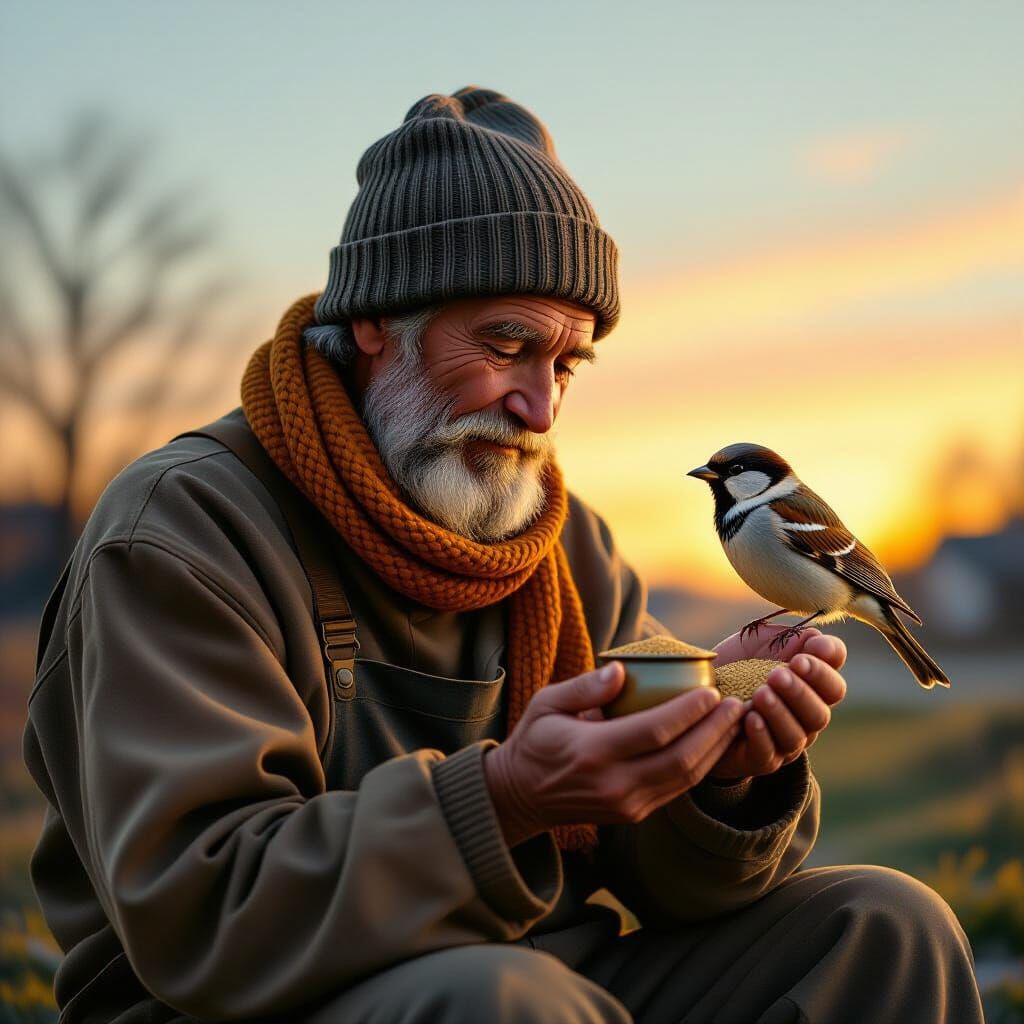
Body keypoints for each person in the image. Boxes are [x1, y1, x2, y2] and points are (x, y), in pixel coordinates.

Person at [23, 85, 983, 1024]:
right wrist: (505, 800)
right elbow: (203, 915)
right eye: (506, 345)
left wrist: (720, 775)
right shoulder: (185, 528)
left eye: (565, 364)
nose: (541, 408)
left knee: (886, 929)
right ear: (375, 321)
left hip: (542, 971)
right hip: (253, 1000)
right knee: (506, 1002)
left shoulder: (568, 547)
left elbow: (671, 878)